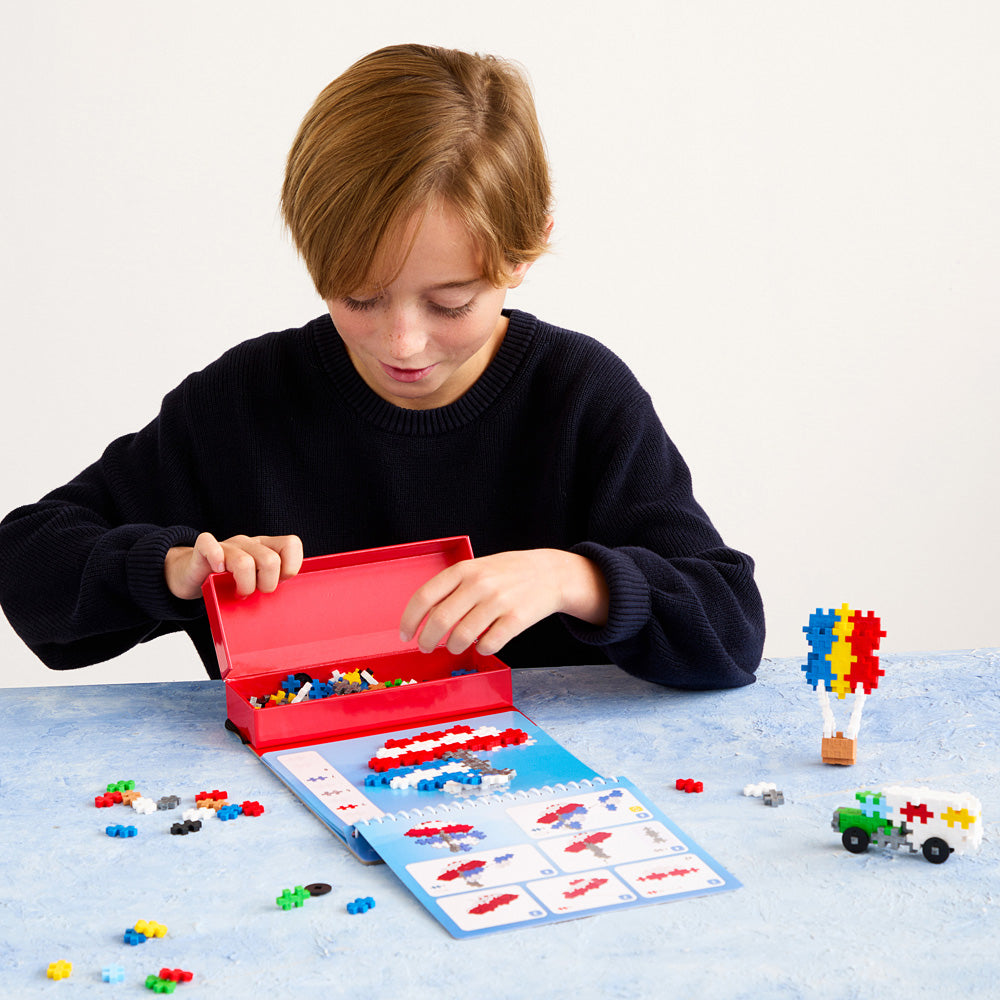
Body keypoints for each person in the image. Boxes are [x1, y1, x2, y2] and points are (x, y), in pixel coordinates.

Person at [0, 43, 764, 689]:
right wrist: (172, 571)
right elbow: (29, 561)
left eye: (450, 303)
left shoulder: (579, 397)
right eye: (359, 297)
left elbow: (730, 629)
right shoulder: (244, 403)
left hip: (538, 797)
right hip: (292, 793)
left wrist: (578, 580)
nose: (403, 343)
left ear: (525, 250)